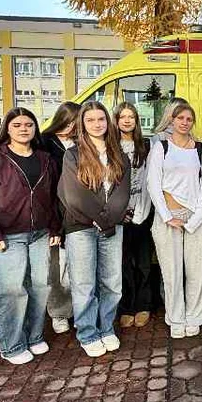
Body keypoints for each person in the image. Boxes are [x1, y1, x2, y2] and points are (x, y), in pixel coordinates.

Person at [0, 107, 61, 365]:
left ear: (35, 129)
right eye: (17, 125)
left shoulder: (45, 158)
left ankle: (34, 336)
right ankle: (11, 345)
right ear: (7, 129)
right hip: (6, 235)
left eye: (29, 124)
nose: (24, 129)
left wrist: (55, 227)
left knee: (40, 288)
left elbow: (53, 196)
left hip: (40, 233)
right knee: (10, 291)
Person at [58, 102, 130, 357]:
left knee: (112, 283)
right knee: (84, 284)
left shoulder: (119, 154)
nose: (97, 124)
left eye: (101, 119)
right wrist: (99, 219)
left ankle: (107, 328)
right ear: (82, 124)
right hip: (81, 227)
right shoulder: (72, 155)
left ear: (107, 122)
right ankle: (88, 333)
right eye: (90, 120)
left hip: (112, 227)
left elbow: (122, 193)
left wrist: (109, 219)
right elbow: (73, 195)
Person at [147, 102, 202, 338]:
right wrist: (167, 216)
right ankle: (175, 318)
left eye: (189, 119)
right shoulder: (161, 147)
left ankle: (194, 317)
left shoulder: (201, 149)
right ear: (172, 120)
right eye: (180, 118)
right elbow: (153, 184)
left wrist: (195, 220)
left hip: (195, 217)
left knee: (196, 271)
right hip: (168, 218)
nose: (185, 122)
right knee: (172, 273)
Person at [42, 101, 81, 334]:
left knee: (79, 268)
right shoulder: (44, 142)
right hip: (54, 210)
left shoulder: (83, 142)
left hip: (79, 211)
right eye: (69, 121)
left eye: (76, 122)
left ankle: (80, 309)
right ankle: (59, 312)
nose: (72, 126)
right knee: (57, 268)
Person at [115, 102, 154, 329]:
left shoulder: (146, 145)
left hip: (143, 210)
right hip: (120, 214)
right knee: (123, 263)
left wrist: (142, 209)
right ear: (117, 121)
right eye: (123, 117)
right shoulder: (111, 146)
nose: (127, 120)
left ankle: (144, 305)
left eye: (131, 117)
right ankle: (127, 306)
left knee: (143, 262)